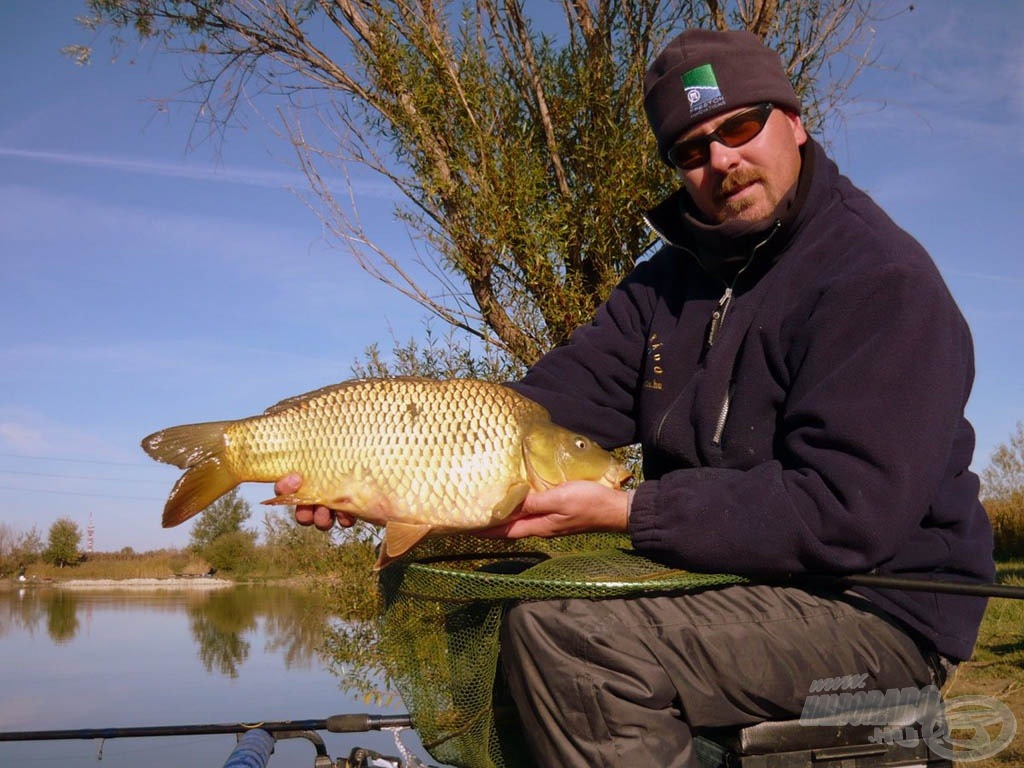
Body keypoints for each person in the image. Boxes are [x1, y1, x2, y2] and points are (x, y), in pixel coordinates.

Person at [281, 28, 996, 767]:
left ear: (794, 119)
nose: (721, 159)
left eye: (738, 127)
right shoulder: (668, 280)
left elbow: (847, 513)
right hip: (731, 583)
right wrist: (384, 462)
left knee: (572, 638)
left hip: (874, 609)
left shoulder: (877, 278)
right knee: (514, 624)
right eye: (691, 150)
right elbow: (544, 407)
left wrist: (631, 510)